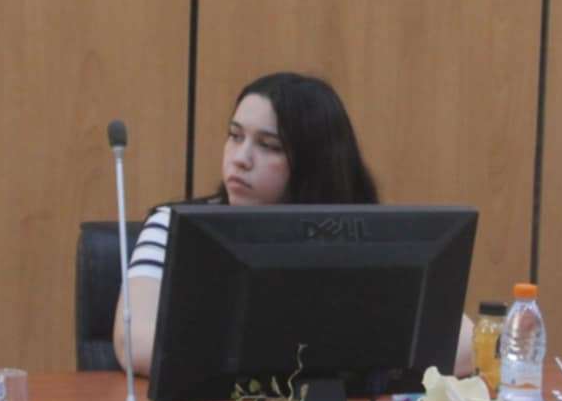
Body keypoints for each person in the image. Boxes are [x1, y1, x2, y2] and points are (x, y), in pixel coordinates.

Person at [112, 71, 475, 377]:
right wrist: (331, 353)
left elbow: (464, 347)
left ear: (314, 162)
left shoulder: (363, 236)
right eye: (235, 136)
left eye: (269, 145)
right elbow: (135, 343)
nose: (240, 158)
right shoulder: (170, 226)